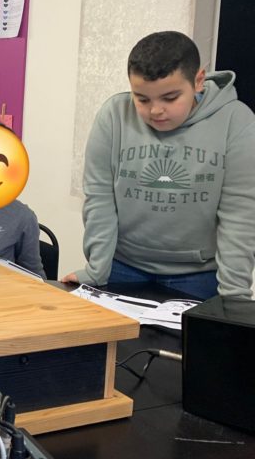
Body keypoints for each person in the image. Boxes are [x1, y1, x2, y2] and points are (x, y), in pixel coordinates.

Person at [63, 31, 255, 299]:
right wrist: (96, 271)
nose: (155, 110)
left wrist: (233, 298)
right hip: (122, 266)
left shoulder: (237, 122)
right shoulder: (114, 116)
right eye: (142, 99)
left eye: (170, 97)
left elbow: (240, 215)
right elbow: (100, 198)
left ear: (198, 81)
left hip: (198, 273)